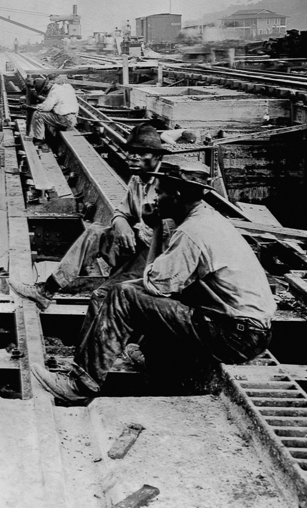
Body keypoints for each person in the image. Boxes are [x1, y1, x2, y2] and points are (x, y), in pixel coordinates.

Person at [31, 159, 276, 404]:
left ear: (177, 195)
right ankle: (155, 362)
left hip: (233, 337)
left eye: (159, 193)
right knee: (156, 297)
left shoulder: (192, 232)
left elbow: (155, 284)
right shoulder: (208, 218)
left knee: (122, 295)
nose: (154, 200)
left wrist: (157, 228)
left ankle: (80, 384)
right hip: (247, 331)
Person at [11, 122, 166, 308]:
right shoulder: (137, 180)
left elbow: (166, 236)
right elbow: (121, 211)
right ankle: (47, 290)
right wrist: (121, 223)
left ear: (157, 156)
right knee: (94, 232)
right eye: (130, 151)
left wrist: (134, 229)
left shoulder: (167, 187)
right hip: (136, 246)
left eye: (141, 153)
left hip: (155, 258)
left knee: (104, 297)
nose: (133, 157)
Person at [29, 75, 78, 148]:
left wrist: (37, 106)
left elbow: (46, 108)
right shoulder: (68, 87)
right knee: (54, 112)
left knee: (38, 114)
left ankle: (38, 139)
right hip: (73, 118)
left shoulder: (54, 92)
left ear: (46, 87)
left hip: (63, 120)